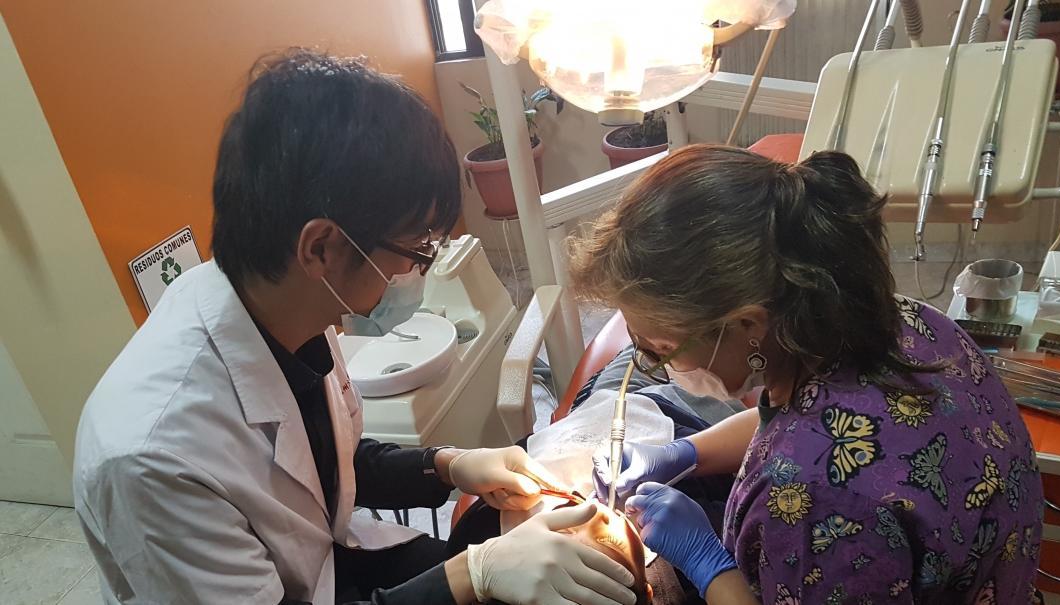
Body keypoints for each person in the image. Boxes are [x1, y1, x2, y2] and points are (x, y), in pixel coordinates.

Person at [73, 49, 637, 605]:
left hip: (331, 562)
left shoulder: (290, 307)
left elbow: (327, 465)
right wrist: (475, 575)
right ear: (320, 247)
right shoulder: (154, 462)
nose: (420, 269)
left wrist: (447, 465)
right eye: (417, 248)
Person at [569, 145, 1045, 604]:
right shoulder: (907, 321)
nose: (657, 367)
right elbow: (814, 428)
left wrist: (709, 566)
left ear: (748, 323)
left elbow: (817, 458)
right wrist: (686, 452)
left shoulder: (818, 508)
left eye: (664, 350)